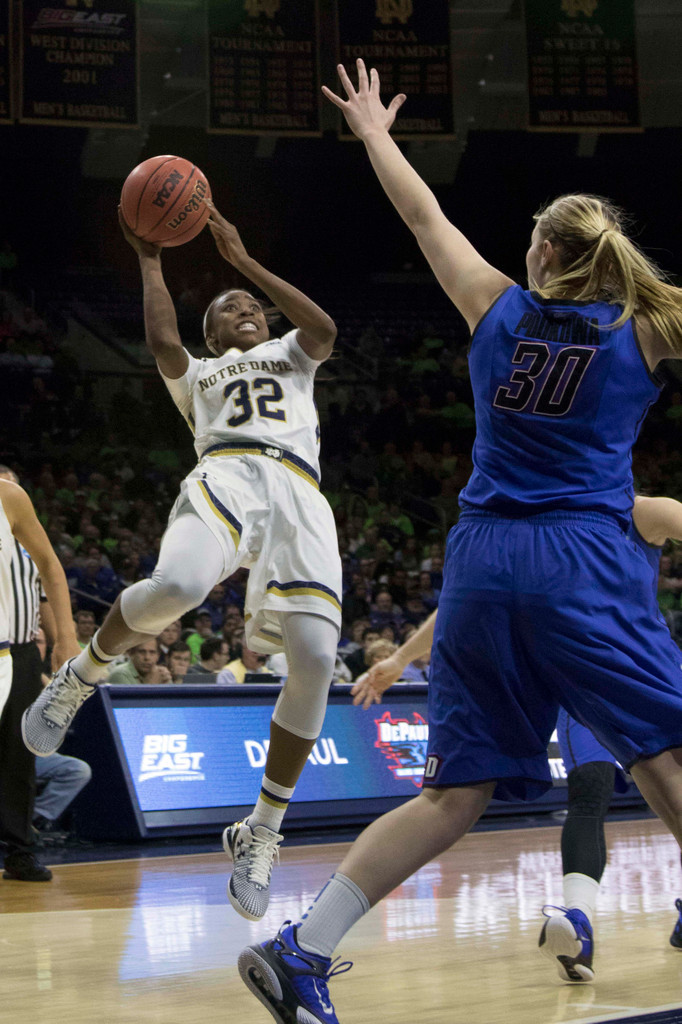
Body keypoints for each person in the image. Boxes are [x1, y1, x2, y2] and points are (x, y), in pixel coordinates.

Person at [236, 59, 682, 1024]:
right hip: (581, 558)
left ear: (543, 257)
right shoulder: (646, 328)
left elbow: (422, 216)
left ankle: (300, 947)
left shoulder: (495, 304)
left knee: (455, 793)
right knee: (666, 754)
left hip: (480, 562)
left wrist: (374, 134)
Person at [23, 198, 343, 924]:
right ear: (212, 331)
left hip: (299, 490)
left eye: (253, 307)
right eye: (232, 307)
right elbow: (164, 339)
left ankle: (261, 829)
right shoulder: (196, 376)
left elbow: (322, 328)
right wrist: (147, 257)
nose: (248, 310)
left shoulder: (293, 354)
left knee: (318, 658)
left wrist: (246, 263)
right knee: (179, 584)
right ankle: (83, 675)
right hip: (227, 473)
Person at [0, 470, 80, 881]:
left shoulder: (14, 511)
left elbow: (49, 576)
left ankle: (19, 849)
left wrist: (64, 639)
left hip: (18, 652)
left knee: (20, 753)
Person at [107, 638, 172, 686]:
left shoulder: (161, 673)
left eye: (152, 652)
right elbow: (133, 704)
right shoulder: (120, 674)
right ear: (131, 653)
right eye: (142, 652)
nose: (147, 657)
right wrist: (152, 684)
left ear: (158, 656)